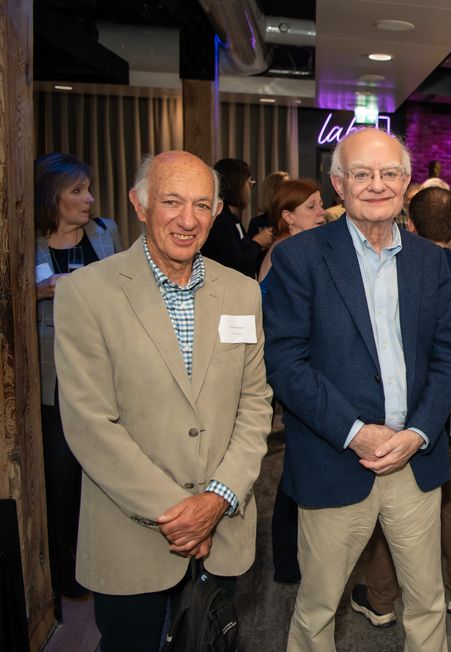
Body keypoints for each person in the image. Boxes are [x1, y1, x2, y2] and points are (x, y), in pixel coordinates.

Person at [53, 151, 273, 652]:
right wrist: (183, 514)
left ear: (219, 211)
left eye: (202, 204)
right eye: (172, 202)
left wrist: (216, 499)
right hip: (130, 531)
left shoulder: (242, 293)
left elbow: (256, 403)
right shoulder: (87, 293)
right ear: (139, 204)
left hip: (224, 527)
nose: (188, 219)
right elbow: (91, 423)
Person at [263, 127, 451, 652]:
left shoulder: (430, 261)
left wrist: (420, 431)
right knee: (317, 610)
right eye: (362, 174)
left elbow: (448, 356)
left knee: (427, 604)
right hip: (335, 461)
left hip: (414, 463)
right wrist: (353, 432)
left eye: (389, 173)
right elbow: (285, 362)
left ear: (406, 184)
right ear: (338, 184)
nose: (377, 185)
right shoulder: (298, 258)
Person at [350, 187, 451, 627]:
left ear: (411, 227)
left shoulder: (409, 268)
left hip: (409, 415)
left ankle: (382, 599)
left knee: (392, 514)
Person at [34, 152, 123, 607]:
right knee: (61, 477)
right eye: (77, 191)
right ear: (52, 197)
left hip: (102, 372)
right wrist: (38, 291)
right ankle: (64, 568)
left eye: (88, 189)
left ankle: (104, 557)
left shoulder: (105, 233)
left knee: (104, 473)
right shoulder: (26, 244)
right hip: (51, 379)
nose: (88, 199)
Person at [256, 178, 327, 584]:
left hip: (291, 365)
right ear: (288, 217)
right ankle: (287, 558)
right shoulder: (288, 252)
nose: (321, 213)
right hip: (289, 368)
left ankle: (291, 556)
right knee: (296, 464)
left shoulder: (285, 249)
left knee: (297, 462)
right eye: (313, 207)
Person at [200, 158, 274, 276]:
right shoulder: (221, 219)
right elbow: (237, 266)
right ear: (236, 185)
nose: (249, 189)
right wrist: (258, 242)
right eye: (248, 183)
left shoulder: (232, 218)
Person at [257, 179, 327, 284]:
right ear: (288, 217)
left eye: (321, 205)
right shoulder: (289, 250)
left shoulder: (286, 244)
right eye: (311, 206)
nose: (322, 211)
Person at [247, 170, 290, 238]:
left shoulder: (294, 219)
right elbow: (252, 247)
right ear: (271, 192)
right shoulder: (257, 223)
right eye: (285, 187)